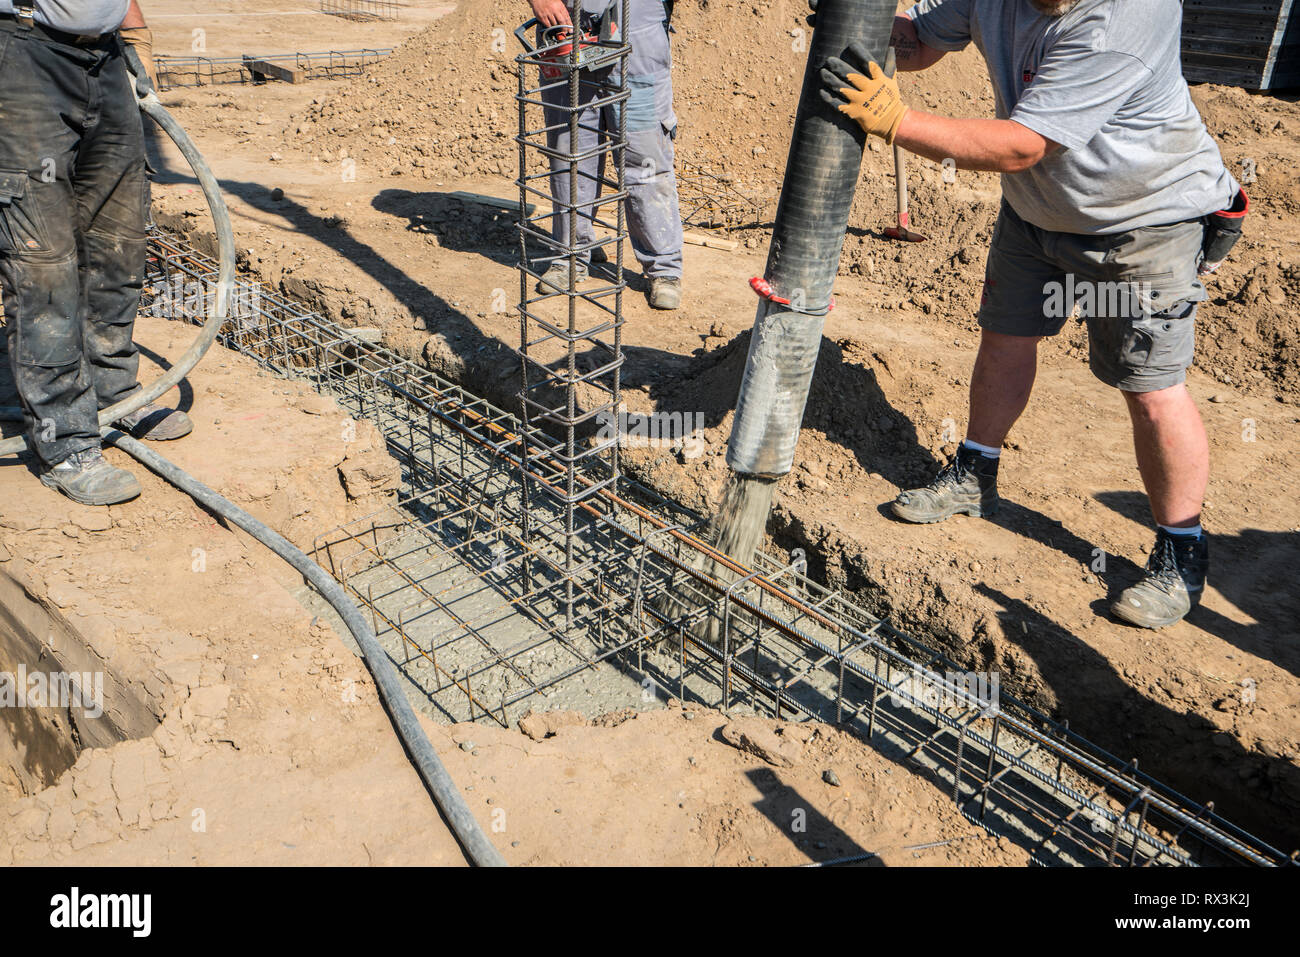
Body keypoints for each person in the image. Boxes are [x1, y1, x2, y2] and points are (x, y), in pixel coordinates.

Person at [820, 0, 1243, 629]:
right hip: (1037, 211)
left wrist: (897, 121)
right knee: (1005, 337)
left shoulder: (1127, 16)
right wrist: (852, 15)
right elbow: (920, 44)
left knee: (1150, 388)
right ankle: (973, 473)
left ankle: (1181, 551)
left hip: (1144, 221)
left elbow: (1021, 145)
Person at [0, 0, 188, 508]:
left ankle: (112, 391)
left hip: (105, 58)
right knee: (44, 266)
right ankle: (66, 440)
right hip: (21, 58)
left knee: (117, 243)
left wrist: (136, 36)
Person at [528, 0, 684, 309]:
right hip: (565, 30)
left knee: (645, 157)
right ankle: (570, 255)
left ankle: (664, 268)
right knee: (569, 154)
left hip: (637, 34)